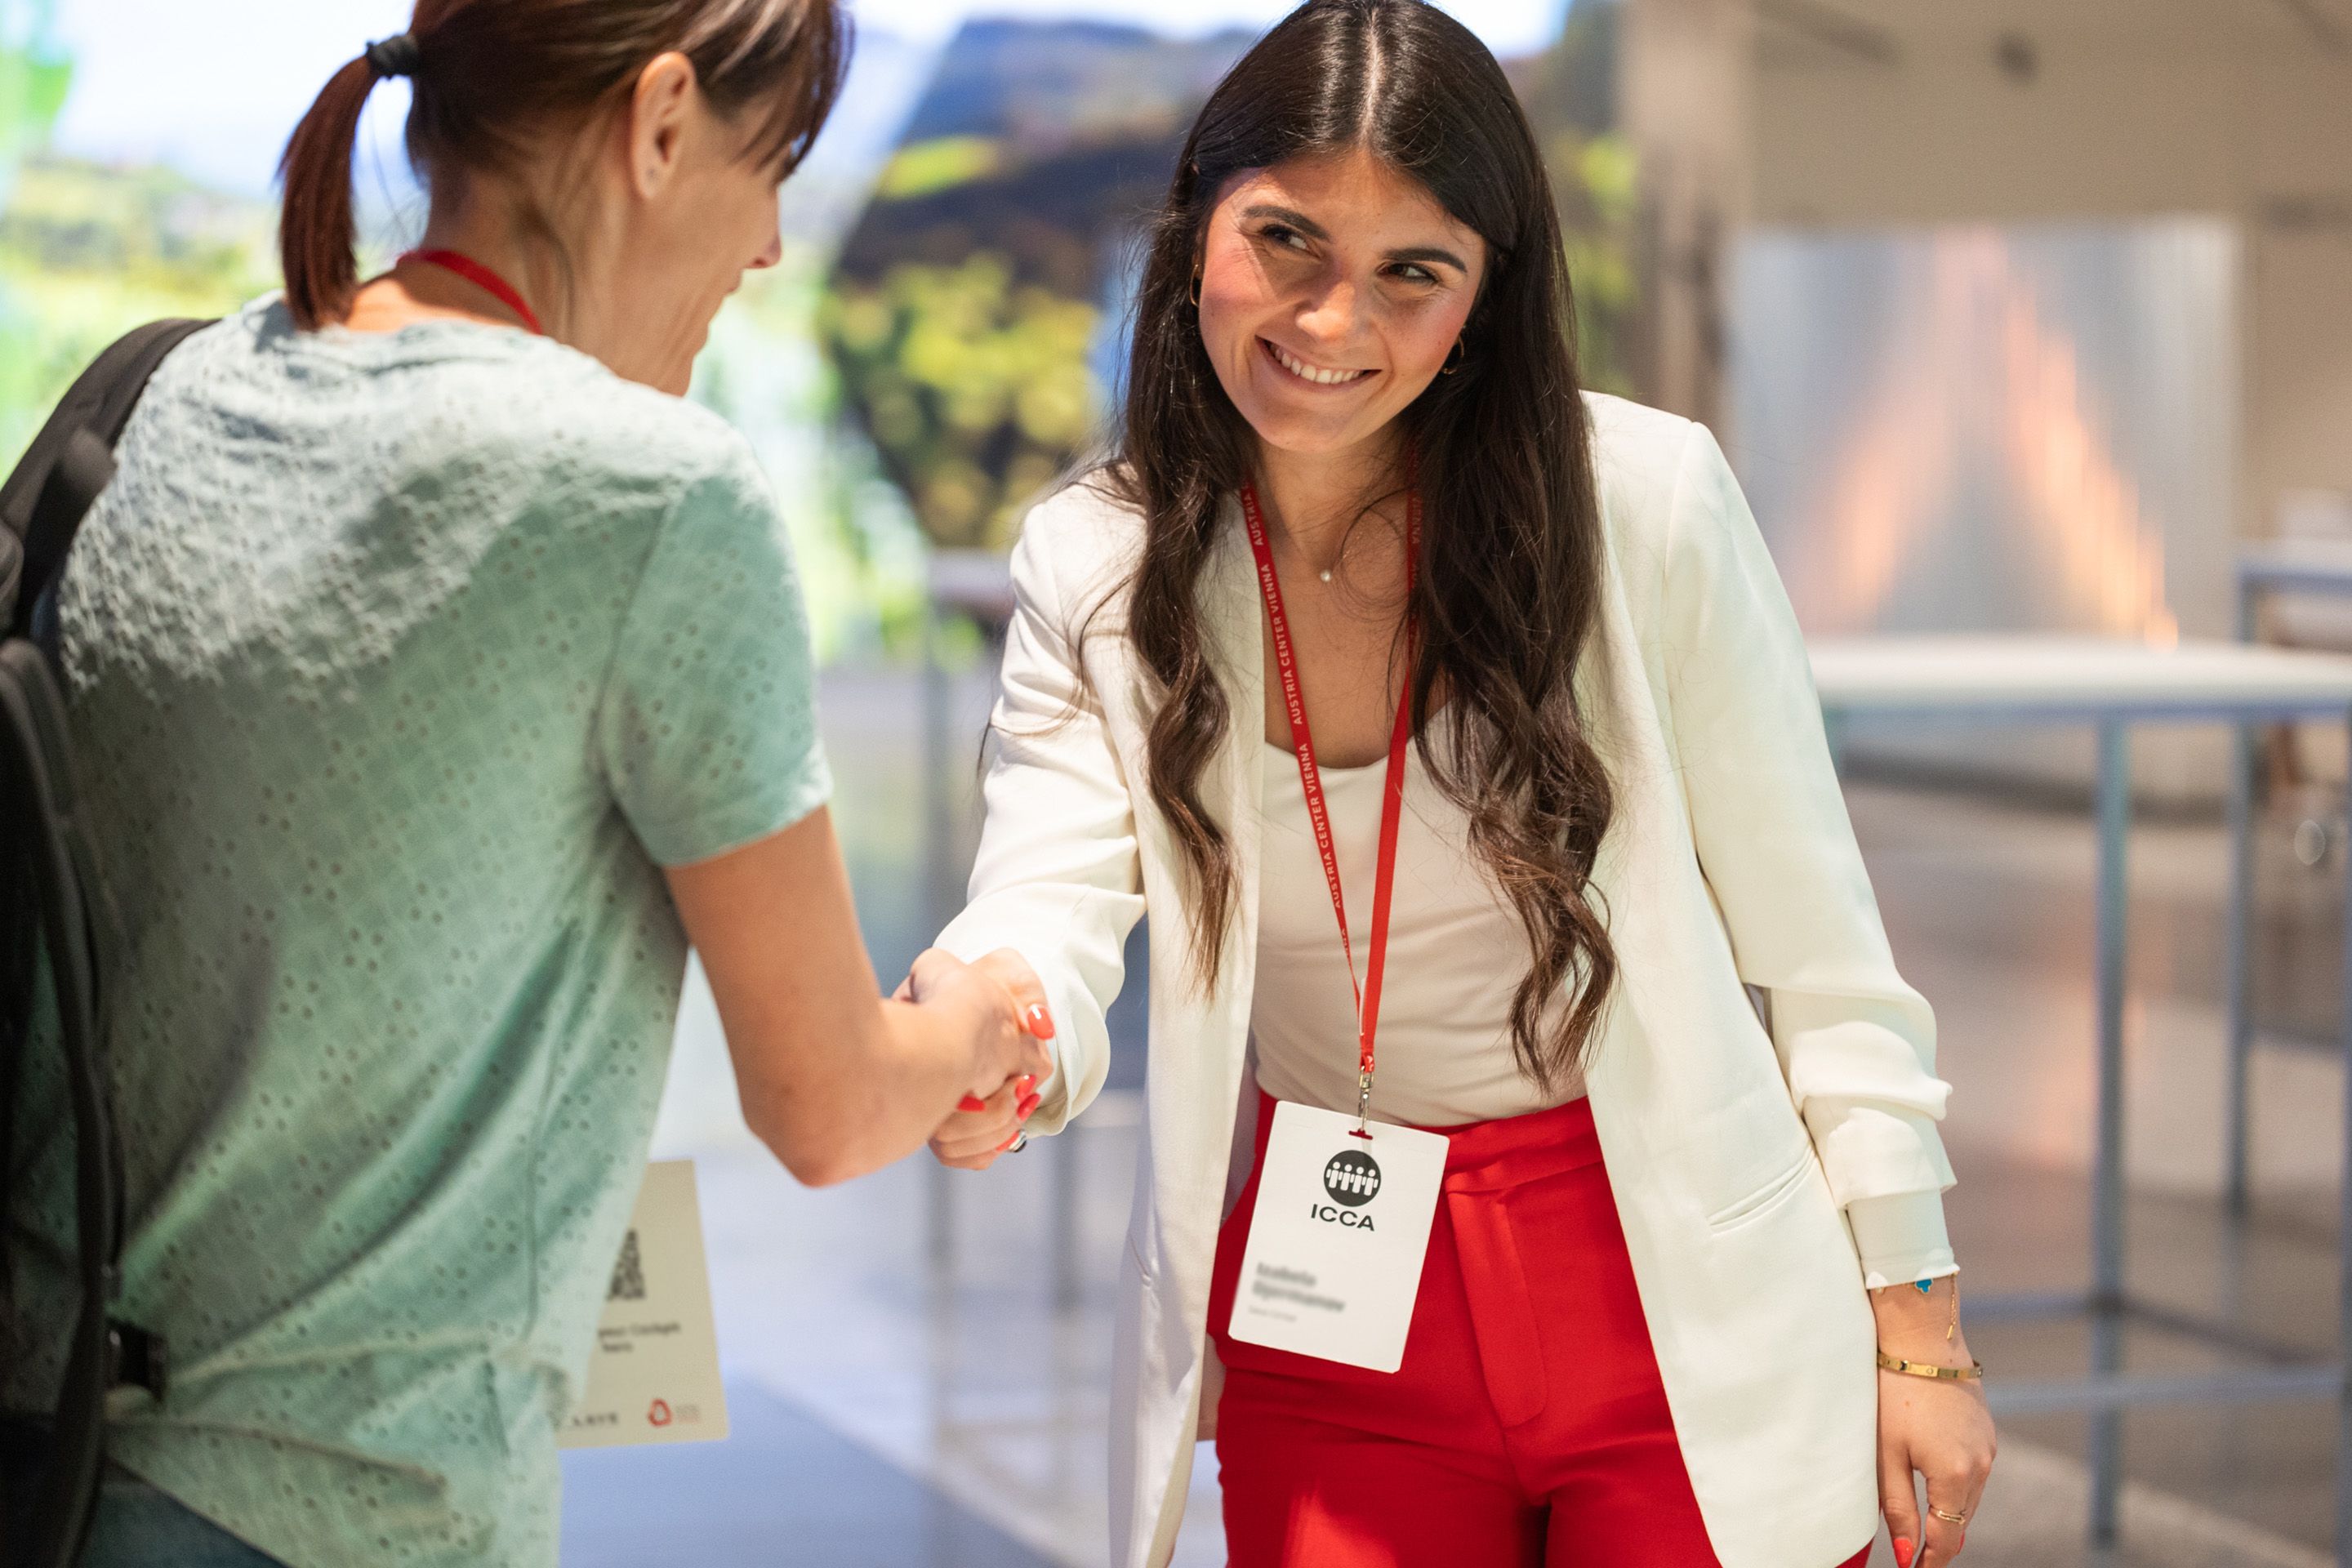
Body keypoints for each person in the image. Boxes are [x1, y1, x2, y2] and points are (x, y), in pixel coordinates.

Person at [923, 2, 1995, 1566]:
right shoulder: (1103, 559)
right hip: (1335, 1307)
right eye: (1283, 239)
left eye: (1410, 272)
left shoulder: (1644, 505)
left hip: (1668, 1271)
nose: (1332, 319)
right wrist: (995, 1032)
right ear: (1195, 232)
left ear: (1484, 299)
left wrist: (1919, 1332)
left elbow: (1824, 958)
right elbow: (1049, 897)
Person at [0, 2, 1052, 1565]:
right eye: (774, 168)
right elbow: (829, 1104)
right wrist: (983, 1020)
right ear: (663, 120)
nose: (770, 243)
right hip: (340, 1513)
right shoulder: (649, 501)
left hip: (44, 1452)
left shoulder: (166, 394)